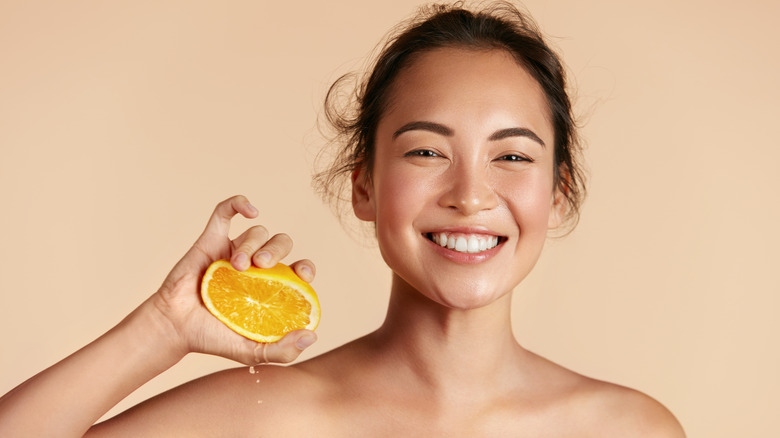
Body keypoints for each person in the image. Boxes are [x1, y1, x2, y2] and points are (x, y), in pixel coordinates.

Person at [0, 2, 686, 436]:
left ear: (558, 191)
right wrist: (162, 327)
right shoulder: (266, 418)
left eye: (511, 155)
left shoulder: (630, 429)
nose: (471, 193)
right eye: (425, 150)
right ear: (364, 184)